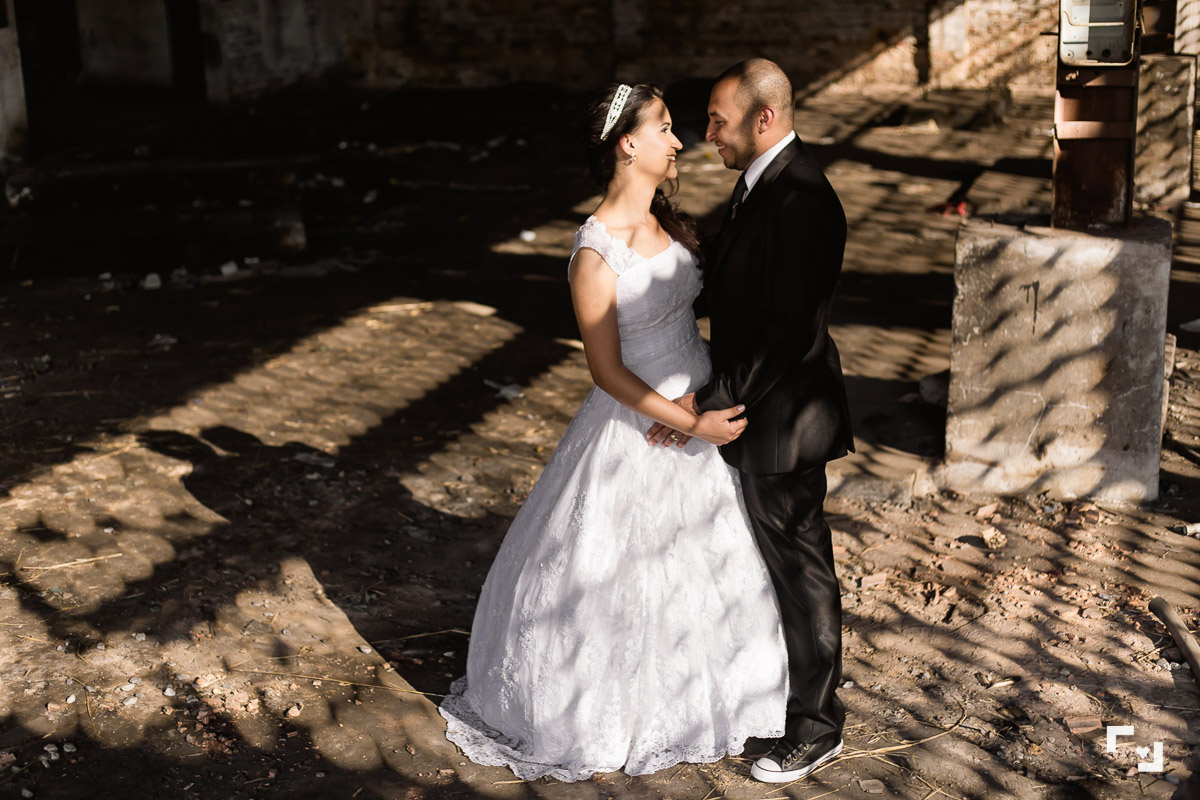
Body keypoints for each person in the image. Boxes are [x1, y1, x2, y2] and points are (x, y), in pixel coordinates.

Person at [437, 83, 788, 782]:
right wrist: (688, 420)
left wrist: (708, 393)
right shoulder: (594, 254)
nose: (679, 141)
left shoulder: (670, 223)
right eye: (664, 128)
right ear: (628, 144)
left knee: (712, 564)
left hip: (701, 397)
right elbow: (606, 371)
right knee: (620, 574)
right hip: (643, 425)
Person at [647, 59, 855, 783]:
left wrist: (708, 402)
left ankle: (818, 728)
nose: (706, 135)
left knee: (802, 573)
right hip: (754, 409)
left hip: (781, 419)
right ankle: (773, 697)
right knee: (771, 567)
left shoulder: (802, 199)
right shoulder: (757, 186)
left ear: (763, 118)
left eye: (717, 121)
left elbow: (787, 332)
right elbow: (734, 291)